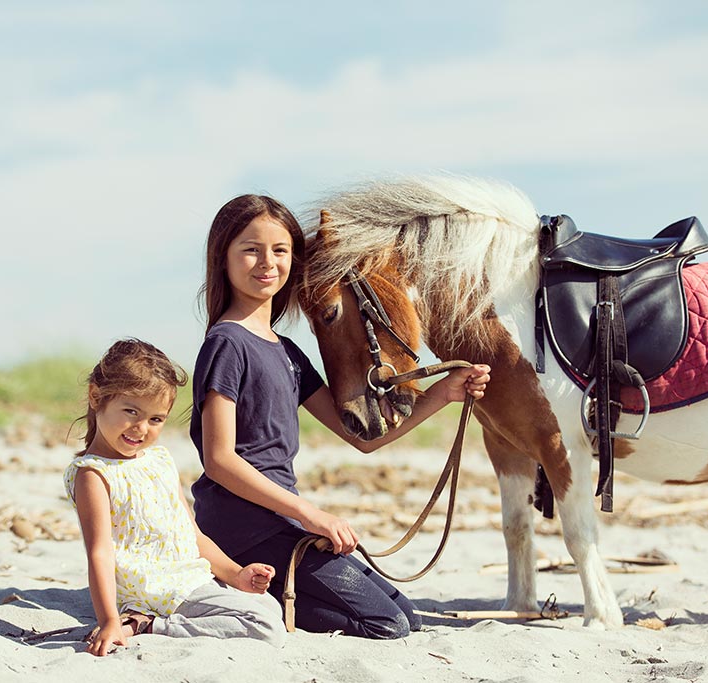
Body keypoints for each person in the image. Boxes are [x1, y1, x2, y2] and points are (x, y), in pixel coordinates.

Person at [190, 195, 491, 639]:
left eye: (280, 250)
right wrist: (312, 515)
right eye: (250, 249)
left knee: (406, 616)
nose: (266, 263)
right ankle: (237, 586)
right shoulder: (227, 344)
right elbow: (219, 460)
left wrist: (441, 394)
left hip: (281, 523)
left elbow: (363, 440)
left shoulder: (287, 352)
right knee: (385, 625)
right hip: (243, 529)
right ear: (224, 258)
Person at [65, 338, 285, 657]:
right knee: (265, 628)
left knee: (267, 604)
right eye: (131, 411)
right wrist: (109, 620)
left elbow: (191, 535)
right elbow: (99, 552)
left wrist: (236, 573)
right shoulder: (94, 474)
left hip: (188, 577)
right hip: (155, 590)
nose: (141, 429)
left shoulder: (159, 461)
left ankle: (164, 617)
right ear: (96, 397)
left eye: (156, 419)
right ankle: (148, 624)